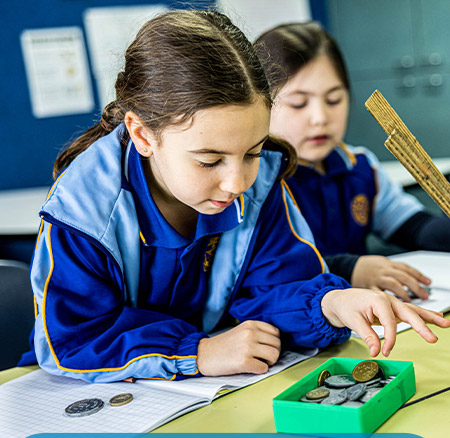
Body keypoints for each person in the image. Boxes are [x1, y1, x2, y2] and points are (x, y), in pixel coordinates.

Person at [22, 9, 449, 383]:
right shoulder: (82, 210)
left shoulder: (262, 181)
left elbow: (276, 286)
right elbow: (73, 339)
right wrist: (196, 352)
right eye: (209, 161)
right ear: (143, 135)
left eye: (253, 152)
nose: (237, 182)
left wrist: (330, 302)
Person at [254, 21, 450, 302]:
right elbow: (270, 271)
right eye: (299, 103)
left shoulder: (359, 165)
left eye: (334, 100)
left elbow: (414, 227)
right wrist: (350, 268)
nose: (320, 118)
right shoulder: (256, 180)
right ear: (259, 104)